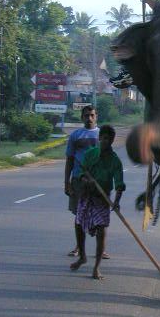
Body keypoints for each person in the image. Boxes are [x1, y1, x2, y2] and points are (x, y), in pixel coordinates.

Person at [70, 125, 125, 280]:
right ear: (99, 138)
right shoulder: (90, 154)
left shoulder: (115, 161)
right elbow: (81, 174)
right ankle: (82, 256)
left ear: (112, 141)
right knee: (79, 224)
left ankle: (96, 267)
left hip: (102, 199)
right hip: (86, 196)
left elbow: (119, 184)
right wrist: (86, 181)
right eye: (104, 138)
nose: (106, 141)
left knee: (101, 231)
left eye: (109, 139)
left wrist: (116, 201)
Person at [64, 105, 104, 257]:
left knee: (99, 215)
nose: (89, 118)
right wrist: (67, 183)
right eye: (86, 115)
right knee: (79, 215)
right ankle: (79, 247)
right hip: (79, 180)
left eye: (92, 115)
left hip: (98, 182)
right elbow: (70, 159)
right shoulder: (75, 135)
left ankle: (101, 249)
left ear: (96, 116)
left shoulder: (102, 135)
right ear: (82, 117)